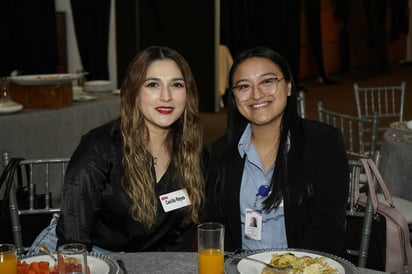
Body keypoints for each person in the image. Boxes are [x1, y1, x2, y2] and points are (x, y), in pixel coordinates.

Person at [29, 45, 207, 253]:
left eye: (176, 84)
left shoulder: (194, 154)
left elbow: (180, 237)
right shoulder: (100, 147)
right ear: (133, 93)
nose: (166, 96)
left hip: (136, 262)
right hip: (80, 253)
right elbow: (73, 238)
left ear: (188, 93)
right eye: (152, 84)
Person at [202, 46, 349, 257]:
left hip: (305, 268)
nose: (256, 94)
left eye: (267, 81)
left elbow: (327, 226)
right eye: (244, 86)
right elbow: (216, 223)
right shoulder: (221, 150)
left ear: (288, 86)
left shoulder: (323, 142)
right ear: (233, 97)